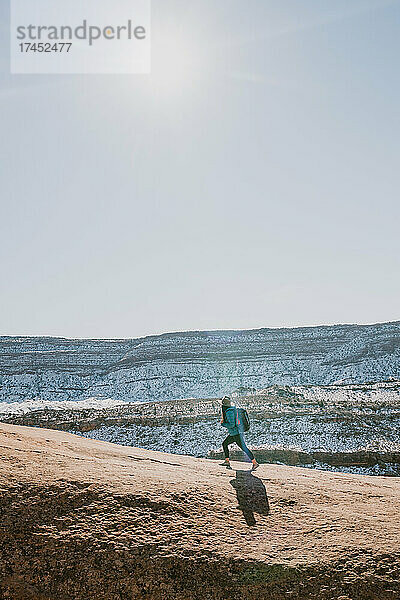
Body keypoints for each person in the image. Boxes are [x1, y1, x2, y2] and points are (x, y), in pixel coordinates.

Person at [220, 396, 259, 471]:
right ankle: (227, 461)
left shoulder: (229, 412)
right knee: (224, 444)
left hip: (236, 434)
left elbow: (231, 424)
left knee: (244, 448)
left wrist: (223, 424)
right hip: (233, 433)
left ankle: (255, 463)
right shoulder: (231, 409)